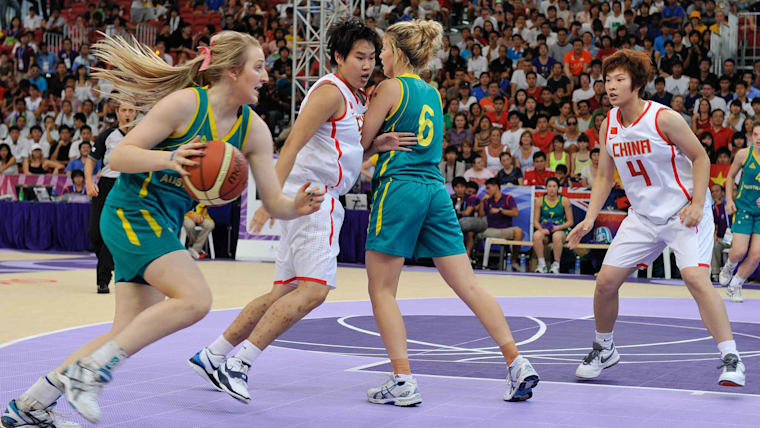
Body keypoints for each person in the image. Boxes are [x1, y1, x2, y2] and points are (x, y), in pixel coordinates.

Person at [1, 31, 326, 427]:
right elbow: (118, 155)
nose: (265, 76)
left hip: (164, 222)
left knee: (125, 333)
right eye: (258, 67)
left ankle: (29, 407)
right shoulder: (186, 104)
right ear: (231, 71)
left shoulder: (253, 130)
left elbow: (273, 201)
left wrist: (296, 207)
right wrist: (169, 157)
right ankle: (88, 375)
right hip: (131, 212)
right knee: (195, 299)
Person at [186, 18, 413, 405]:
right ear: (338, 57)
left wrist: (376, 147)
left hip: (308, 198)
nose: (367, 65)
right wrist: (269, 198)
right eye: (359, 57)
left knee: (285, 292)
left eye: (372, 58)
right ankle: (239, 365)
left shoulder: (355, 96)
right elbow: (292, 144)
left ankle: (215, 353)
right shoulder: (329, 92)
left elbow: (340, 149)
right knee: (314, 292)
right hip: (314, 199)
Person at [360, 19, 540, 406]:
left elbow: (360, 144)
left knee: (381, 289)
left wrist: (375, 144)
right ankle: (517, 360)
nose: (381, 57)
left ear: (400, 54)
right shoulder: (432, 93)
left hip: (400, 187)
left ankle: (403, 378)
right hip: (435, 191)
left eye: (385, 50)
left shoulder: (389, 87)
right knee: (469, 285)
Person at [567, 49, 745, 387]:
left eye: (619, 79)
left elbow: (701, 157)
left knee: (695, 278)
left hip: (684, 213)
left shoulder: (663, 118)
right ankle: (604, 349)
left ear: (636, 84)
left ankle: (731, 357)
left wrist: (696, 203)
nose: (611, 86)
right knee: (605, 282)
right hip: (643, 216)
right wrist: (590, 218)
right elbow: (605, 176)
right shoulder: (608, 126)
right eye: (607, 80)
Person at [86, 100, 136, 295]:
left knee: (110, 234)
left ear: (136, 113)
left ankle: (103, 280)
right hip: (106, 184)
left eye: (131, 110)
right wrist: (89, 182)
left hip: (128, 185)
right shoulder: (107, 135)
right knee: (94, 232)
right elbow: (91, 161)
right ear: (117, 112)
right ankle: (111, 263)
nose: (127, 114)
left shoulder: (143, 136)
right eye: (124, 110)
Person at [718, 122, 760, 303]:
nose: (759, 138)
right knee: (738, 251)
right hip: (743, 208)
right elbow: (729, 176)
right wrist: (729, 200)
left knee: (756, 254)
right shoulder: (744, 154)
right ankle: (729, 266)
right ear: (752, 136)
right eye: (757, 134)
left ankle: (736, 284)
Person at [533, 177, 573, 273]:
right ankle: (541, 264)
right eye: (549, 186)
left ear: (558, 188)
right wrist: (542, 230)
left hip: (560, 230)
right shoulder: (539, 201)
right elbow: (535, 221)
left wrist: (557, 228)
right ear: (546, 188)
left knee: (556, 236)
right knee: (537, 235)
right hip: (545, 230)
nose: (551, 189)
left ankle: (556, 264)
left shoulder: (564, 201)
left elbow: (570, 222)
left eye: (554, 186)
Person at [480, 177, 523, 266]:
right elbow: (481, 215)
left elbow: (515, 213)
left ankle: (514, 261)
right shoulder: (487, 201)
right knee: (477, 232)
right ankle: (477, 260)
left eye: (488, 188)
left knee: (518, 231)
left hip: (506, 229)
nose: (487, 191)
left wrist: (500, 210)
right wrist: (481, 202)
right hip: (491, 230)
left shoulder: (508, 198)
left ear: (496, 187)